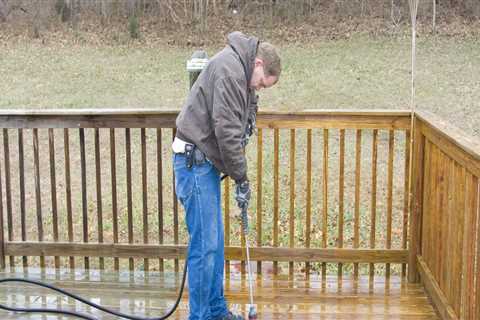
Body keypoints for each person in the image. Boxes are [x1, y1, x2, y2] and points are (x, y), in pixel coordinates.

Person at [173, 31, 281, 320]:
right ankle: (201, 316)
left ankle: (216, 311)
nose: (257, 88)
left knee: (214, 246)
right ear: (257, 63)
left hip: (204, 165)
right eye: (260, 83)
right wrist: (241, 179)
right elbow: (226, 132)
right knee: (204, 248)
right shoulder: (231, 71)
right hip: (193, 164)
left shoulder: (239, 70)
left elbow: (240, 120)